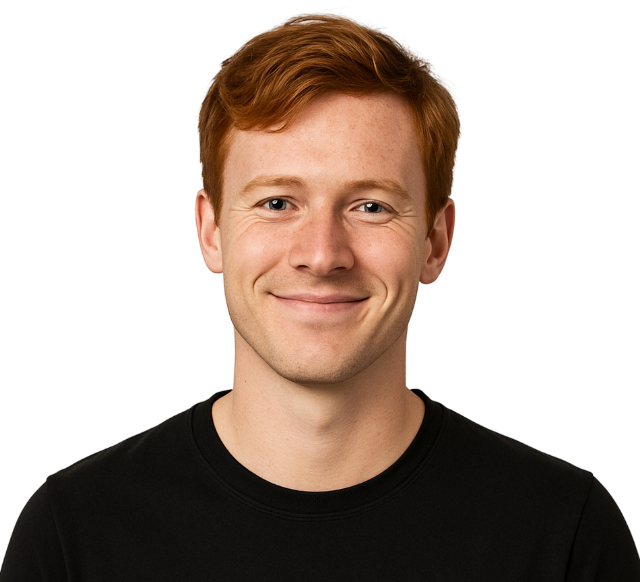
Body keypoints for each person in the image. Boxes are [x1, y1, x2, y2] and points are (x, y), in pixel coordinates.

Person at [2, 10, 639, 581]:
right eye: (277, 203)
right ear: (210, 234)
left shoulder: (565, 534)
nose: (323, 254)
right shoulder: (72, 535)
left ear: (436, 240)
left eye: (371, 206)